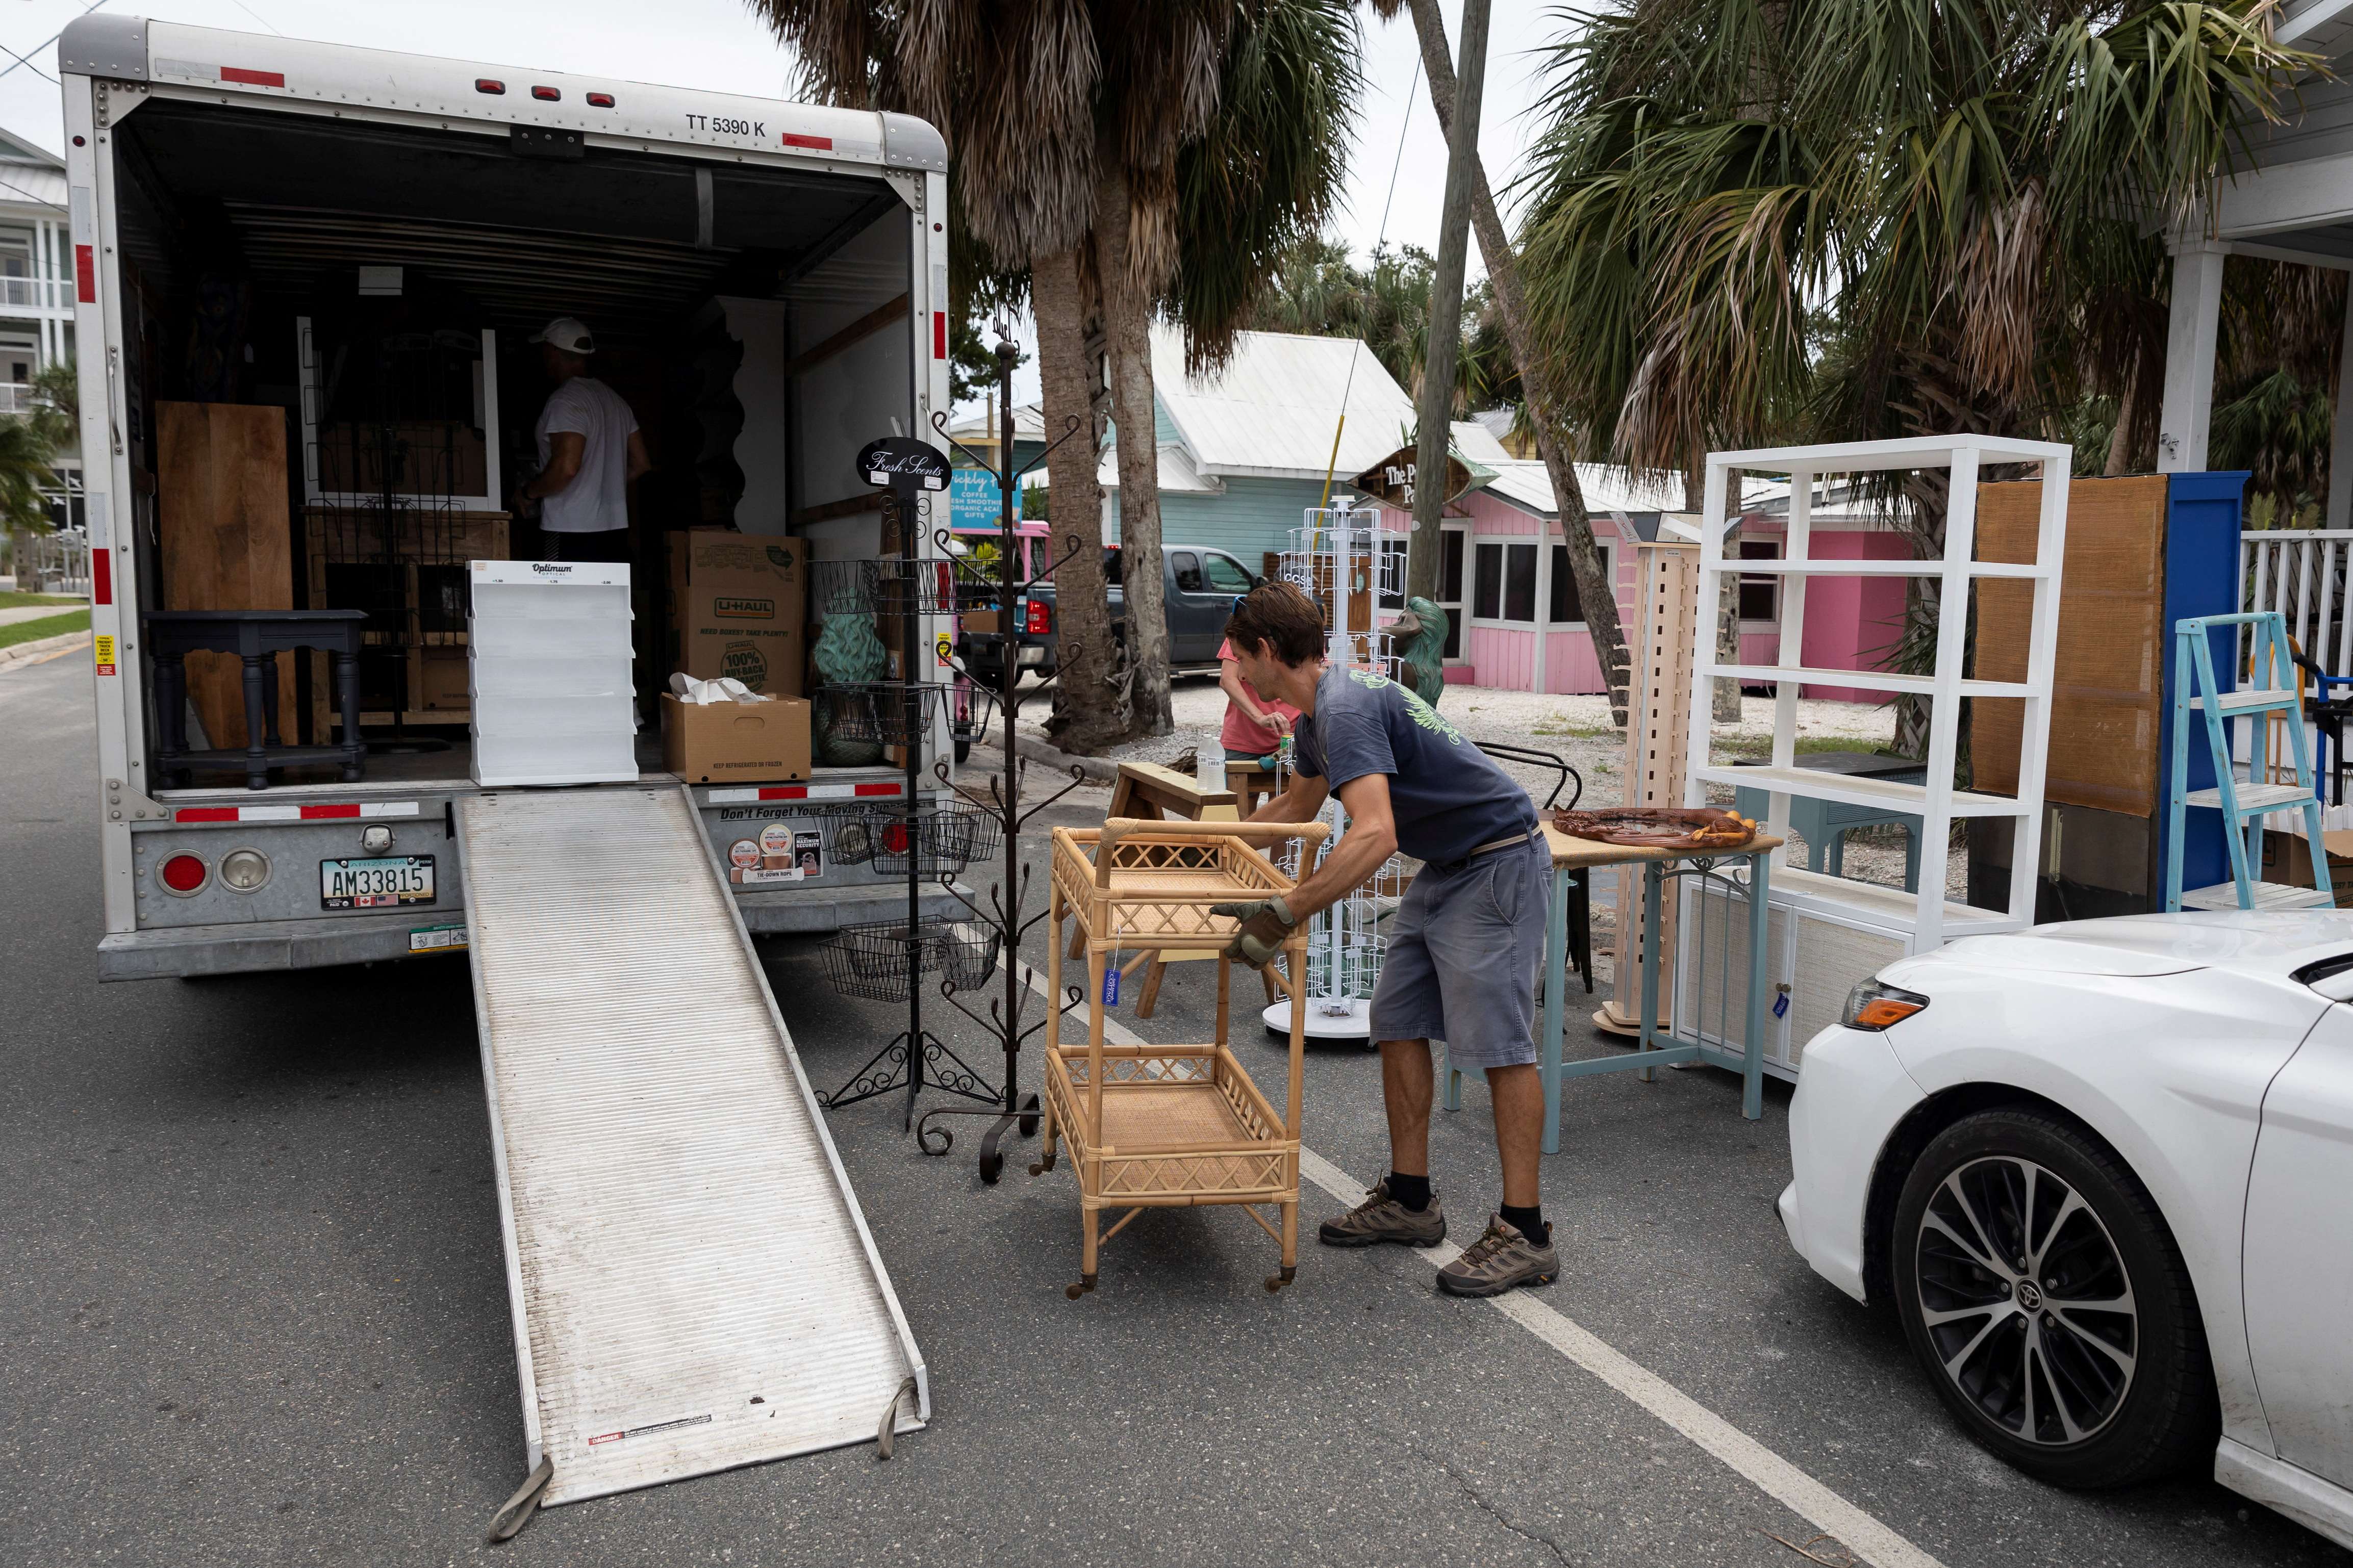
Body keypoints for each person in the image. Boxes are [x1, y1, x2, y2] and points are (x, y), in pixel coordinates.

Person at [1212, 581, 1555, 1297]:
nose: (1238, 671)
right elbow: (1296, 805)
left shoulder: (1345, 708)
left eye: (1242, 658)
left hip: (1497, 862)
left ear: (1267, 652)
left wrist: (1284, 912)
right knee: (1396, 1020)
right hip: (1448, 864)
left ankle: (1526, 1230)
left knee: (1499, 1046)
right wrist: (1209, 850)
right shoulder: (1317, 715)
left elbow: (1373, 832)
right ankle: (1409, 1197)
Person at [514, 317, 650, 562]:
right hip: (614, 530)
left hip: (571, 530)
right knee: (604, 601)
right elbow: (641, 464)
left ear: (552, 351)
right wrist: (600, 485)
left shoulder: (565, 400)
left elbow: (566, 468)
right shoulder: (615, 401)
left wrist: (528, 493)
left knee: (563, 599)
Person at [1217, 630, 1300, 771]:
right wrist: (1259, 717)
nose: (1242, 675)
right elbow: (1228, 679)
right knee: (1237, 791)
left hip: (1290, 738)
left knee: (1290, 792)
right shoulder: (1243, 630)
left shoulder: (1302, 631)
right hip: (1245, 738)